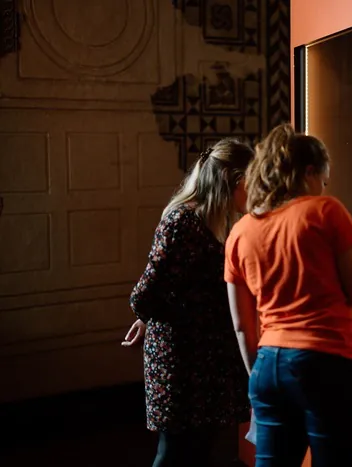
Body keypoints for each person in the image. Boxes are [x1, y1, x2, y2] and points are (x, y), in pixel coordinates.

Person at [224, 123, 352, 467]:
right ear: (309, 172)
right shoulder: (323, 212)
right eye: (324, 181)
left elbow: (242, 326)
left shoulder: (240, 232)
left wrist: (260, 375)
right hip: (329, 362)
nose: (324, 188)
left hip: (269, 366)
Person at [123, 138, 254, 467]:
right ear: (233, 181)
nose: (254, 194)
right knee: (175, 453)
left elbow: (179, 285)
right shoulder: (182, 222)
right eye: (251, 183)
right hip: (182, 365)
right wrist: (148, 316)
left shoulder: (216, 223)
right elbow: (144, 294)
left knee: (197, 452)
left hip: (202, 364)